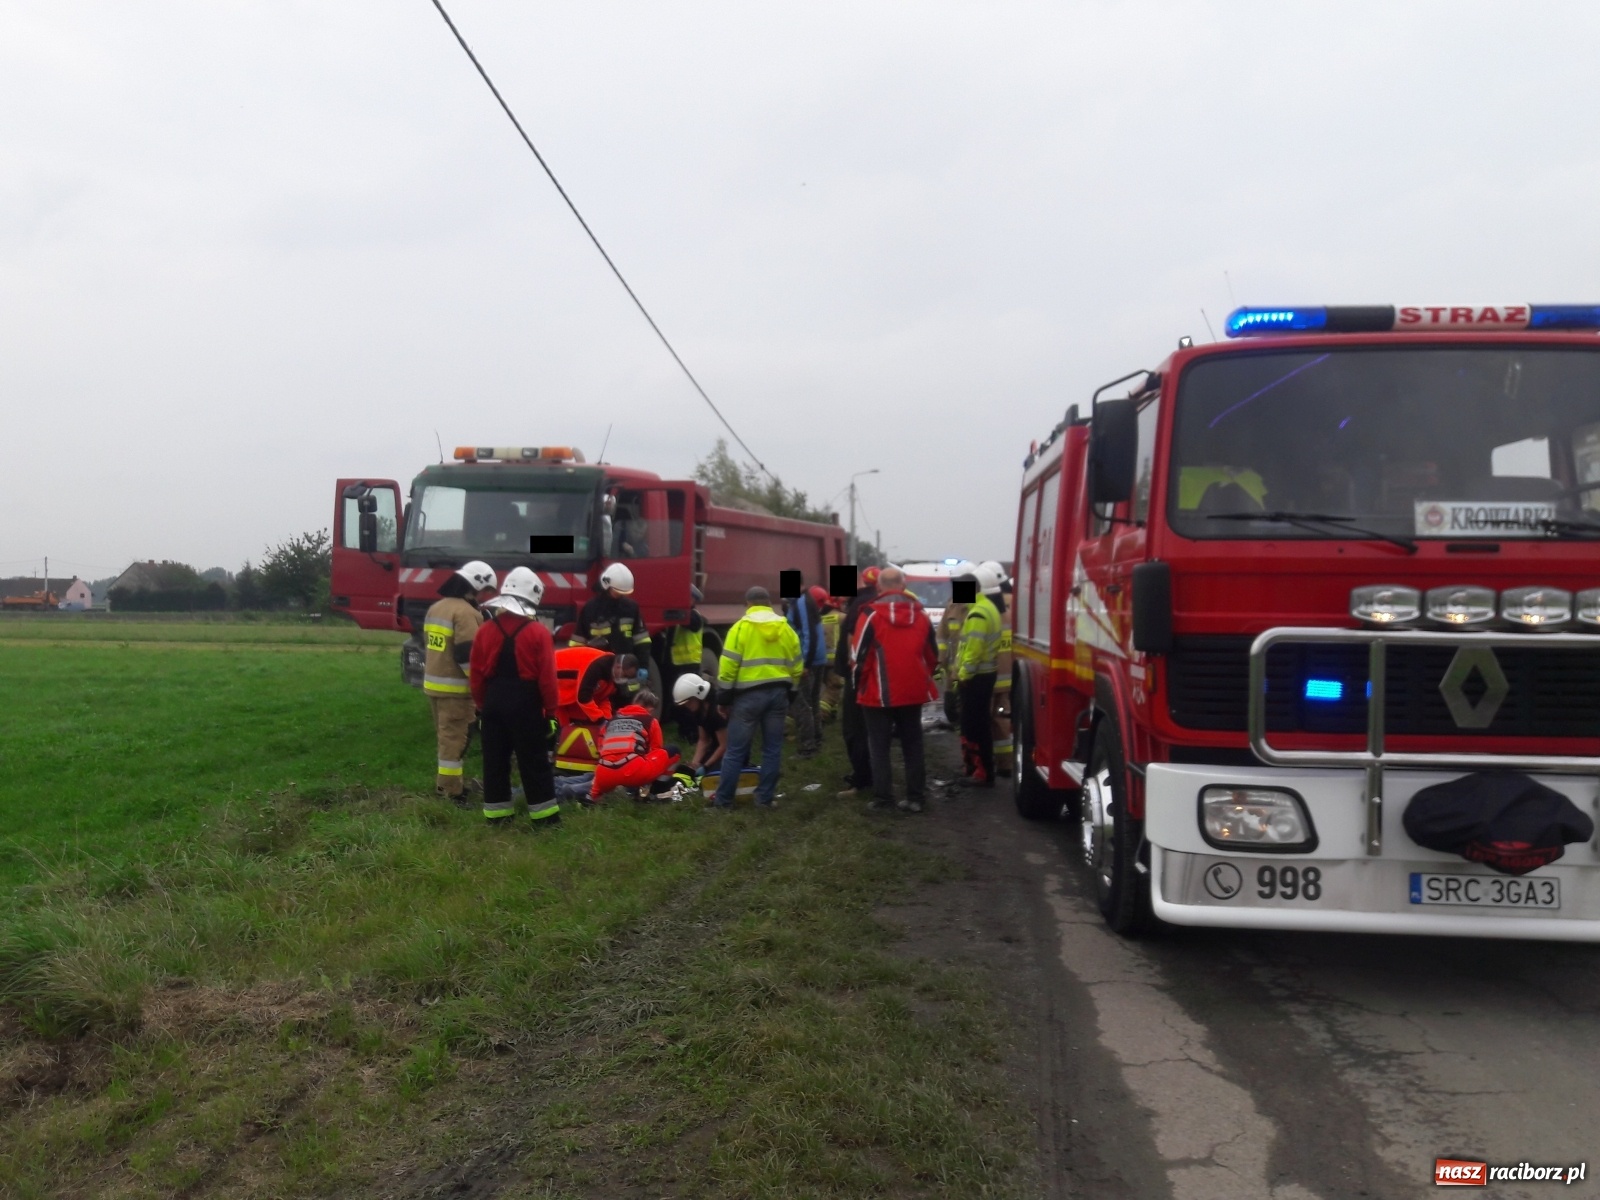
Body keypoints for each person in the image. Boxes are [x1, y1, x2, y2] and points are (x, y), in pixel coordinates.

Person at [469, 568, 560, 827]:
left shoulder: (485, 630)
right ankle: (545, 820)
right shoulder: (538, 632)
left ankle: (498, 819)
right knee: (533, 761)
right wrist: (551, 713)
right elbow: (547, 679)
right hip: (526, 704)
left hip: (494, 702)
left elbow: (476, 676)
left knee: (495, 762)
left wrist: (483, 707)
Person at [849, 566, 940, 813]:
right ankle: (916, 798)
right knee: (913, 744)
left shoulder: (869, 614)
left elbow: (859, 657)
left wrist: (858, 687)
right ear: (903, 585)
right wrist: (922, 677)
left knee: (879, 746)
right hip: (912, 691)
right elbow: (932, 655)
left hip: (877, 694)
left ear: (878, 587)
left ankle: (883, 799)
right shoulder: (921, 616)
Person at [712, 586, 803, 809]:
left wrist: (723, 699)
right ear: (769, 604)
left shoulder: (740, 628)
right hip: (779, 693)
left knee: (735, 750)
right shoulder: (785, 628)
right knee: (772, 749)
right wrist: (791, 693)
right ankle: (764, 799)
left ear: (748, 604)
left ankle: (723, 801)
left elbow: (727, 667)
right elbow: (797, 666)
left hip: (748, 697)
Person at [422, 560, 497, 802]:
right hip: (456, 690)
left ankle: (447, 786)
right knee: (454, 742)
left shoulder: (437, 608)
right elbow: (467, 656)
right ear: (475, 586)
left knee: (445, 739)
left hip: (434, 686)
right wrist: (481, 688)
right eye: (484, 591)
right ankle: (452, 792)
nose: (483, 597)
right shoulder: (466, 613)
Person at [955, 564, 1005, 788]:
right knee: (980, 724)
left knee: (973, 725)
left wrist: (964, 675)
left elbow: (973, 651)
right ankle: (981, 769)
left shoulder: (977, 613)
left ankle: (980, 771)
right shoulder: (986, 608)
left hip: (976, 678)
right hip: (986, 675)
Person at [833, 565, 880, 798]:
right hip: (882, 677)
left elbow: (854, 644)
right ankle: (878, 777)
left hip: (859, 676)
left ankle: (862, 779)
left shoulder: (859, 607)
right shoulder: (884, 603)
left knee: (854, 729)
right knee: (876, 729)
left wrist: (851, 671)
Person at [589, 689, 681, 801]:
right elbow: (655, 751)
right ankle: (658, 790)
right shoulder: (650, 720)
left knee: (593, 786)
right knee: (673, 751)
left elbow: (600, 749)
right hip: (632, 772)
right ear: (650, 709)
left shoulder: (611, 722)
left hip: (603, 774)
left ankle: (593, 794)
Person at [979, 560, 1014, 777]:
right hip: (1009, 675)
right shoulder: (1013, 603)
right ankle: (1005, 764)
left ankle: (983, 765)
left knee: (981, 720)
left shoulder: (982, 609)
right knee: (1002, 721)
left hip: (985, 674)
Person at [786, 583, 830, 756]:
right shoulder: (804, 601)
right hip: (818, 658)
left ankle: (807, 746)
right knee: (812, 701)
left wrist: (805, 664)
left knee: (801, 702)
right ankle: (816, 737)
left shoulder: (801, 602)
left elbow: (808, 633)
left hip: (809, 660)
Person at [576, 563, 652, 659]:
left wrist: (643, 665)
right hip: (598, 664)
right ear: (606, 586)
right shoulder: (591, 608)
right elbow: (578, 641)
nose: (620, 595)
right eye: (617, 592)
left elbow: (642, 640)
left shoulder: (631, 607)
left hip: (624, 665)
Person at [672, 672, 727, 775]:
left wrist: (706, 766)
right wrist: (694, 764)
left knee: (712, 774)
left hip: (730, 750)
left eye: (688, 702)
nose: (687, 706)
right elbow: (703, 740)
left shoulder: (717, 711)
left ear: (698, 695)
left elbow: (724, 745)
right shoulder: (699, 712)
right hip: (717, 747)